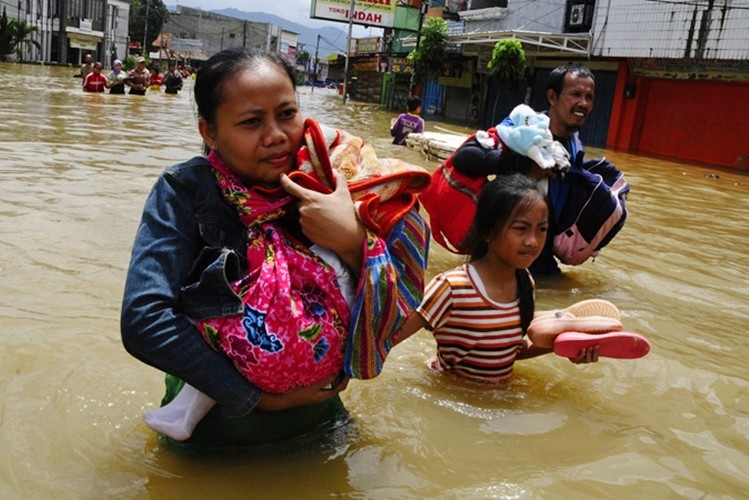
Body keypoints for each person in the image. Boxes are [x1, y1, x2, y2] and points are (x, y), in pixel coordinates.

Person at [120, 47, 429, 451]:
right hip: (217, 441)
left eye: (287, 114)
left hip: (321, 431)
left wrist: (353, 241)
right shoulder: (187, 191)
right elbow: (144, 320)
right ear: (209, 131)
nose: (277, 136)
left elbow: (405, 307)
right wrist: (256, 398)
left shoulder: (330, 182)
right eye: (251, 122)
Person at [394, 174, 599, 383]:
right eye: (521, 228)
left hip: (498, 393)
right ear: (488, 231)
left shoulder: (525, 282)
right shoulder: (451, 288)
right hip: (449, 390)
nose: (533, 241)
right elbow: (389, 339)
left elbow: (508, 351)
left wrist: (566, 345)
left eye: (542, 229)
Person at [441, 63, 598, 275]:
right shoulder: (523, 128)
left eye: (589, 97)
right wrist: (523, 164)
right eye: (576, 94)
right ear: (552, 97)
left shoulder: (574, 145)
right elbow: (464, 157)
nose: (583, 103)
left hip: (541, 261)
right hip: (498, 263)